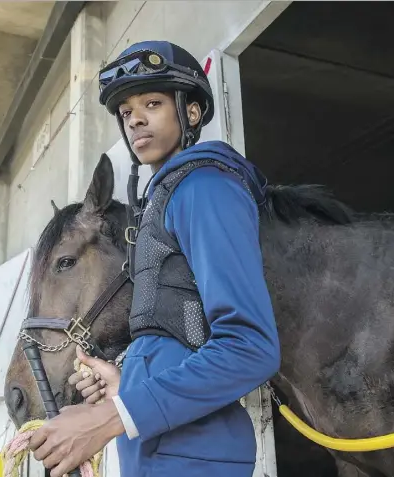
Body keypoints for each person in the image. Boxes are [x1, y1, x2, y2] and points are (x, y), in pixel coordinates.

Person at [28, 40, 280, 477]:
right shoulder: (164, 199)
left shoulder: (205, 189)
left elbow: (250, 348)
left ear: (192, 112)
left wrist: (110, 418)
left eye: (153, 102)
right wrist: (125, 386)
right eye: (126, 112)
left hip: (196, 457)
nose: (136, 119)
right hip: (157, 451)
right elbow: (182, 343)